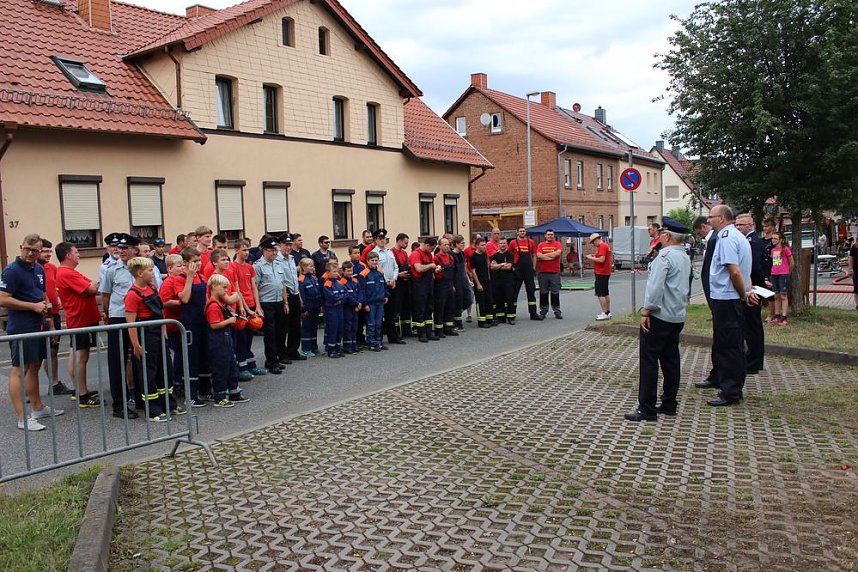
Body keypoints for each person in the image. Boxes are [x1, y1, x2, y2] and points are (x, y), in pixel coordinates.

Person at [625, 218, 692, 421]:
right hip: (676, 315)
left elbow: (655, 288)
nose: (660, 237)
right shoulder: (685, 257)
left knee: (649, 360)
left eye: (662, 234)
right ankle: (669, 403)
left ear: (667, 236)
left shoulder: (664, 256)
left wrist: (646, 311)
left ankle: (646, 407)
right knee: (671, 360)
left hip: (660, 315)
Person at [1, 234, 64, 431]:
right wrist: (32, 306)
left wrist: (50, 324)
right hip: (21, 326)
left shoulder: (38, 268)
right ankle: (22, 417)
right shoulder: (12, 270)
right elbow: (2, 299)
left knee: (35, 365)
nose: (30, 253)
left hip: (39, 324)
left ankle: (37, 407)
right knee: (20, 369)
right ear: (21, 247)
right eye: (27, 249)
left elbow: (42, 296)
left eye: (35, 251)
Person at [705, 205, 757, 407]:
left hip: (727, 298)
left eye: (711, 216)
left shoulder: (726, 238)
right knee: (733, 344)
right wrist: (746, 292)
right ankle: (733, 386)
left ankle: (730, 391)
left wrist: (743, 293)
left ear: (722, 218)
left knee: (727, 346)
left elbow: (735, 271)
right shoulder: (736, 236)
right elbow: (745, 271)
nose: (709, 220)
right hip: (731, 298)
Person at [125, 257, 179, 421]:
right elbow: (131, 324)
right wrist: (136, 345)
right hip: (145, 336)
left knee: (164, 370)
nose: (153, 273)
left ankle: (168, 404)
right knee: (149, 373)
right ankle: (153, 410)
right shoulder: (132, 295)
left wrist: (164, 333)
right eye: (150, 270)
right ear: (140, 273)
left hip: (158, 334)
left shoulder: (152, 288)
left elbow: (160, 313)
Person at [54, 242, 101, 407]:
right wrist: (91, 287)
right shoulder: (67, 273)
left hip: (81, 319)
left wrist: (91, 287)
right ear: (68, 255)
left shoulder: (70, 272)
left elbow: (92, 285)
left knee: (77, 355)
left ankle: (80, 389)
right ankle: (83, 395)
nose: (79, 254)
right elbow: (92, 288)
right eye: (76, 252)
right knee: (82, 357)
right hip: (81, 320)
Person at [101, 233, 140, 420]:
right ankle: (119, 404)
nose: (121, 251)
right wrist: (110, 315)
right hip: (119, 317)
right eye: (120, 248)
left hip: (140, 318)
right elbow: (105, 296)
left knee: (140, 358)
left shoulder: (142, 268)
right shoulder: (112, 270)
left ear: (135, 250)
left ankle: (141, 398)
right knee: (118, 361)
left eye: (126, 248)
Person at [205, 273, 249, 408]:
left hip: (225, 338)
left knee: (231, 365)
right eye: (223, 288)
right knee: (221, 368)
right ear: (214, 287)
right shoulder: (213, 305)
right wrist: (229, 321)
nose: (226, 291)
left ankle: (234, 392)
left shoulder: (220, 303)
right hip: (217, 340)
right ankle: (220, 396)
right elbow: (214, 325)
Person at [37, 238, 70, 395]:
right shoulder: (33, 269)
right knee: (36, 355)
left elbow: (56, 288)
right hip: (38, 315)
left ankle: (55, 384)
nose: (48, 254)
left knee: (53, 351)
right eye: (44, 251)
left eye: (49, 251)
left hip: (54, 313)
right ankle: (31, 388)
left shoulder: (52, 268)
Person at [736, 213, 766, 373]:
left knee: (752, 325)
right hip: (751, 286)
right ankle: (753, 358)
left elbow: (753, 267)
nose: (738, 228)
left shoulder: (752, 242)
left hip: (752, 287)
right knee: (749, 325)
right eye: (736, 225)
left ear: (750, 225)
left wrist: (753, 287)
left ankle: (754, 361)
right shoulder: (746, 240)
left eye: (741, 225)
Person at [692, 215, 719, 390]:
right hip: (718, 296)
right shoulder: (715, 239)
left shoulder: (716, 239)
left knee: (724, 341)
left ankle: (722, 378)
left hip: (721, 297)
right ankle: (718, 374)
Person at [232, 238, 266, 377]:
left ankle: (251, 365)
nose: (247, 253)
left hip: (251, 305)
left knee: (249, 337)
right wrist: (246, 309)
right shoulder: (233, 267)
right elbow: (237, 289)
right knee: (241, 338)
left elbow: (254, 287)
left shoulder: (249, 267)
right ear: (236, 250)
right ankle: (242, 367)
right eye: (244, 250)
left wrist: (257, 306)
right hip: (241, 307)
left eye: (247, 249)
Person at [253, 237, 287, 374]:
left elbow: (282, 284)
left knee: (280, 332)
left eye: (275, 250)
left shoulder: (278, 264)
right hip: (266, 303)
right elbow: (255, 287)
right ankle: (271, 362)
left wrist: (285, 302)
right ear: (264, 251)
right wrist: (258, 306)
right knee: (270, 334)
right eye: (271, 250)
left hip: (278, 301)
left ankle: (276, 358)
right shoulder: (258, 266)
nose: (274, 253)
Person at [276, 233, 305, 362]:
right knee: (283, 326)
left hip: (294, 292)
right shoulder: (277, 260)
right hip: (285, 294)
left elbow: (294, 278)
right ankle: (282, 353)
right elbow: (281, 280)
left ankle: (293, 350)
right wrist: (285, 300)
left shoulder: (292, 258)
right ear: (280, 245)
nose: (288, 247)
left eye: (290, 245)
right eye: (286, 245)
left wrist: (299, 295)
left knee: (295, 325)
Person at [370, 229, 401, 344]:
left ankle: (393, 337)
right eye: (380, 239)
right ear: (375, 240)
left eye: (384, 238)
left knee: (391, 313)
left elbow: (395, 267)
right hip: (381, 286)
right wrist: (387, 281)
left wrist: (394, 279)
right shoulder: (374, 253)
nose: (383, 241)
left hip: (392, 284)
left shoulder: (389, 252)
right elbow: (376, 270)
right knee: (379, 314)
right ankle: (378, 339)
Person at [409, 237, 439, 342]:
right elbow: (418, 268)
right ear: (427, 245)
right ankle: (421, 333)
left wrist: (435, 269)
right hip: (419, 285)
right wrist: (431, 265)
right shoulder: (416, 254)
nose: (432, 251)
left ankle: (429, 332)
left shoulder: (429, 254)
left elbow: (432, 268)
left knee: (429, 308)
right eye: (432, 248)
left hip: (428, 284)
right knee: (420, 309)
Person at [508, 227, 541, 320]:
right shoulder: (513, 242)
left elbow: (534, 255)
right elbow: (509, 255)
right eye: (520, 231)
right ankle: (512, 314)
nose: (522, 232)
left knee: (531, 292)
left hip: (528, 270)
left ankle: (533, 314)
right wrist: (512, 267)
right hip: (517, 271)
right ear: (517, 232)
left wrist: (533, 267)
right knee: (514, 293)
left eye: (524, 231)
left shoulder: (530, 242)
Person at [361, 251, 388, 350]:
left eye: (376, 260)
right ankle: (371, 343)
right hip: (370, 303)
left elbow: (384, 285)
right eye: (372, 260)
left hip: (380, 302)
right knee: (371, 324)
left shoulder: (380, 272)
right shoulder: (364, 274)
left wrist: (386, 295)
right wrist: (365, 304)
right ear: (368, 261)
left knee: (379, 323)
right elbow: (362, 290)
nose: (374, 262)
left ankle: (378, 342)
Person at [433, 237, 458, 337]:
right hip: (440, 286)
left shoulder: (451, 257)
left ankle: (448, 328)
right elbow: (433, 273)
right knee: (440, 308)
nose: (447, 247)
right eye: (445, 245)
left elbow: (453, 273)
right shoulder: (436, 258)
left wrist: (453, 285)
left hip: (449, 285)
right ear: (439, 246)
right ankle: (439, 330)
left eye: (448, 245)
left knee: (450, 307)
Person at [768, 232, 795, 325]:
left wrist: (787, 272)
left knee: (783, 295)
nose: (773, 240)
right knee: (776, 295)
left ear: (780, 240)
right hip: (774, 274)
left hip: (783, 274)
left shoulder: (785, 249)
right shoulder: (773, 250)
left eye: (775, 238)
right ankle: (777, 315)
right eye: (772, 238)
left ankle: (784, 317)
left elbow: (792, 263)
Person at [536, 230, 563, 319]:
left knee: (555, 292)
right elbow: (538, 255)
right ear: (545, 236)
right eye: (548, 234)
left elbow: (557, 253)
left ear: (554, 235)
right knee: (543, 292)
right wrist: (551, 257)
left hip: (554, 272)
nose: (550, 236)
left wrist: (544, 256)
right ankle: (543, 311)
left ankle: (557, 311)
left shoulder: (557, 244)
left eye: (551, 234)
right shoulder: (541, 245)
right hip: (543, 272)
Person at [322, 261, 347, 357]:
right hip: (331, 310)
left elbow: (346, 294)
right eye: (334, 272)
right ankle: (331, 350)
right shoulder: (327, 284)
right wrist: (339, 299)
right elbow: (331, 297)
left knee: (340, 328)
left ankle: (338, 348)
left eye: (337, 271)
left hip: (339, 308)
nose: (336, 273)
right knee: (333, 329)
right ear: (328, 273)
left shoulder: (339, 283)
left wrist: (340, 300)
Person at [298, 258, 321, 356]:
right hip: (308, 306)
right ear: (304, 267)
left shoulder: (313, 278)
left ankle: (314, 346)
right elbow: (301, 296)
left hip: (315, 306)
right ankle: (306, 348)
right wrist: (303, 309)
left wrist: (320, 305)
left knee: (314, 327)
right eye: (310, 266)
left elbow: (318, 292)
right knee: (307, 328)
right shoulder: (301, 279)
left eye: (313, 266)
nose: (313, 268)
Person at [586, 233, 612, 320]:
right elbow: (601, 257)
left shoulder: (602, 246)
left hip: (601, 272)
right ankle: (608, 312)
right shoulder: (605, 246)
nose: (593, 244)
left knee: (600, 293)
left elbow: (601, 260)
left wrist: (590, 258)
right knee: (605, 293)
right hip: (605, 272)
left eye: (593, 242)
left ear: (596, 240)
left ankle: (605, 312)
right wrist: (594, 256)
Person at [469, 236, 493, 328]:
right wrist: (478, 284)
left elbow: (487, 266)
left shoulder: (484, 255)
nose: (484, 246)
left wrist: (489, 277)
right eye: (482, 245)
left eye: (485, 245)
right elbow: (473, 271)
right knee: (481, 302)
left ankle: (489, 319)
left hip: (487, 280)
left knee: (488, 300)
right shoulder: (473, 257)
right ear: (477, 246)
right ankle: (481, 321)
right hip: (479, 281)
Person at [391, 232, 412, 339]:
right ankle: (396, 332)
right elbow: (391, 270)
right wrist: (399, 275)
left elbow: (407, 265)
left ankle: (406, 330)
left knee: (406, 307)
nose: (407, 245)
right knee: (396, 308)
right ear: (399, 241)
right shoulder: (392, 253)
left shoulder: (404, 253)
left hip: (406, 283)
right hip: (397, 284)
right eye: (405, 243)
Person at [491, 237, 516, 325]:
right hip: (497, 281)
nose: (502, 245)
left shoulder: (510, 254)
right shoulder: (495, 255)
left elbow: (508, 267)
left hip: (508, 280)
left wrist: (497, 266)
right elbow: (492, 266)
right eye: (501, 243)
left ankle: (511, 317)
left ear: (507, 244)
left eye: (504, 243)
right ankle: (501, 317)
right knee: (499, 299)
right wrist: (502, 264)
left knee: (509, 298)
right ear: (498, 244)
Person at [339, 261, 362, 354]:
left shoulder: (355, 281)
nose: (350, 273)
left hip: (356, 307)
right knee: (347, 327)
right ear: (343, 271)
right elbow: (346, 296)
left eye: (351, 271)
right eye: (348, 271)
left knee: (354, 326)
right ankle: (347, 346)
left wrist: (359, 302)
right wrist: (356, 303)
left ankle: (354, 344)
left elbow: (360, 292)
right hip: (347, 307)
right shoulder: (341, 282)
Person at [451, 235, 471, 330]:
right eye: (462, 243)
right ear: (456, 244)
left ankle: (456, 315)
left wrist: (468, 280)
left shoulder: (462, 254)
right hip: (456, 281)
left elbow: (464, 267)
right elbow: (451, 271)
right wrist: (452, 285)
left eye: (464, 243)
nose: (463, 245)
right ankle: (457, 323)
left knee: (469, 299)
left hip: (463, 280)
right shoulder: (452, 255)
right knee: (458, 302)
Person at [848, 238, 858, 311]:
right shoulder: (855, 247)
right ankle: (857, 305)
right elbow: (851, 258)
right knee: (857, 289)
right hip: (856, 271)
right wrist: (851, 269)